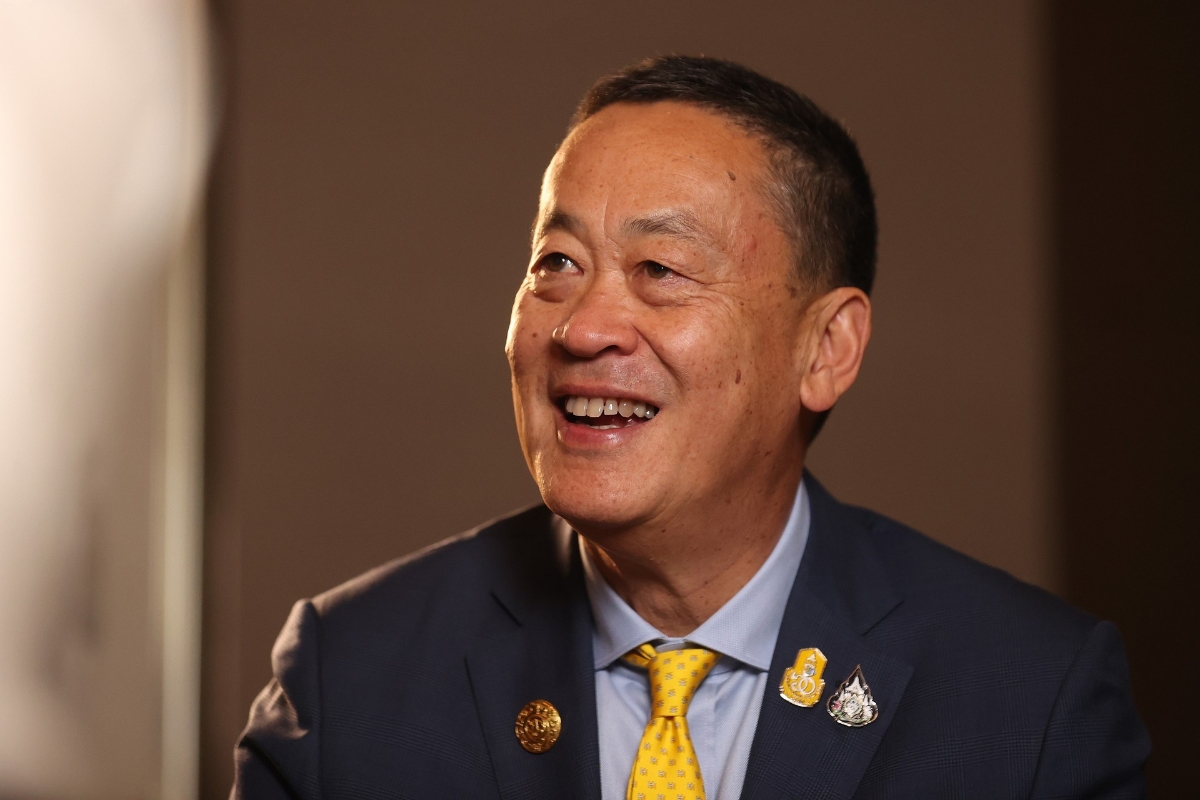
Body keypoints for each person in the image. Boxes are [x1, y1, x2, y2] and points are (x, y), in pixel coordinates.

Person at [231, 56, 1149, 799]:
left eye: (660, 270)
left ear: (826, 349)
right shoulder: (351, 677)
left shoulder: (1030, 700)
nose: (583, 328)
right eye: (557, 262)